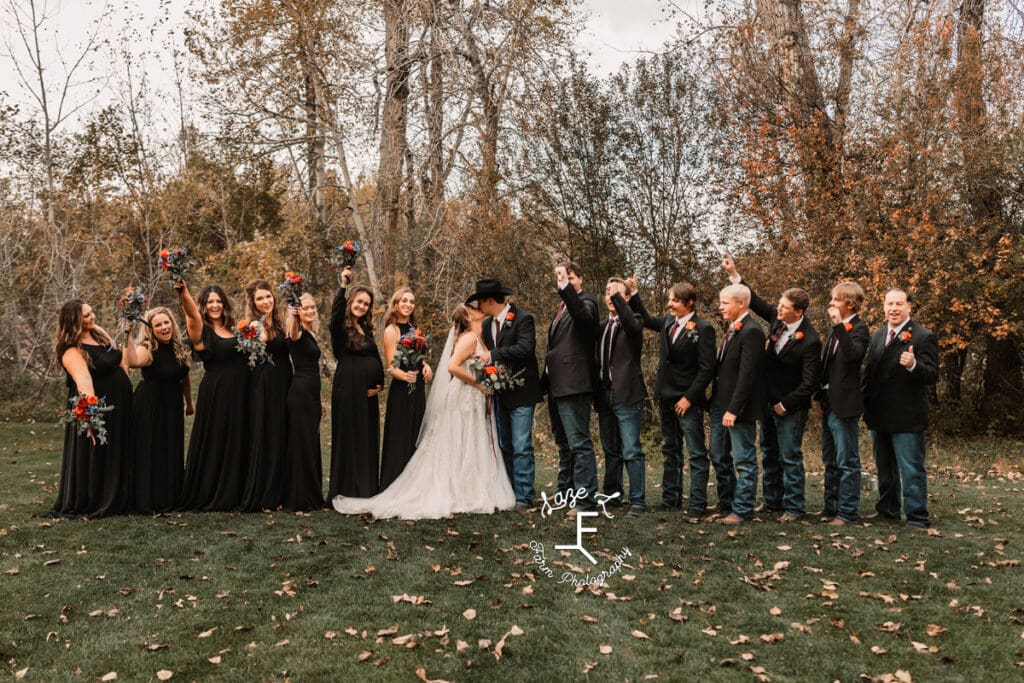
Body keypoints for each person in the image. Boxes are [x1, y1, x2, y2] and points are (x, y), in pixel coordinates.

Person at [333, 304, 515, 519]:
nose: (479, 309)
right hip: (465, 395)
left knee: (470, 441)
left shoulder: (477, 336)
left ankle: (468, 485)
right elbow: (452, 366)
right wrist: (479, 384)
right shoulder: (468, 338)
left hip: (471, 398)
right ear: (468, 316)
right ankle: (461, 489)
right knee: (461, 440)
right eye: (474, 308)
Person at [724, 256, 821, 522]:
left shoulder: (810, 340)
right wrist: (735, 276)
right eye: (778, 304)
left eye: (784, 307)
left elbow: (809, 383)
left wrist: (785, 404)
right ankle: (771, 500)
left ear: (798, 312)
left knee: (790, 457)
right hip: (766, 403)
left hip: (790, 407)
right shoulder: (778, 322)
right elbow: (755, 301)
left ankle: (794, 508)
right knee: (768, 453)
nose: (777, 309)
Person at [629, 280, 717, 516]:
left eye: (675, 300)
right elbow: (646, 319)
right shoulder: (669, 322)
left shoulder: (703, 328)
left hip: (688, 401)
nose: (670, 304)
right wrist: (634, 292)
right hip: (666, 397)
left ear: (689, 303)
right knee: (670, 449)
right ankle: (671, 499)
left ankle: (697, 504)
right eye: (670, 299)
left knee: (696, 453)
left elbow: (707, 369)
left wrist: (689, 398)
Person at [862, 288, 939, 529]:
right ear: (883, 307)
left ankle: (917, 516)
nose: (893, 308)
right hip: (879, 414)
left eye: (899, 303)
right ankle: (888, 509)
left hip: (907, 416)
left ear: (909, 307)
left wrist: (914, 365)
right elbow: (869, 376)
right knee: (884, 468)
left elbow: (932, 375)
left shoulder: (923, 336)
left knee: (911, 468)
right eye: (889, 304)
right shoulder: (876, 336)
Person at [51, 299, 133, 517]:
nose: (92, 317)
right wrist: (92, 414)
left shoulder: (97, 333)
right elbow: (83, 381)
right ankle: (100, 497)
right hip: (100, 406)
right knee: (101, 449)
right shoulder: (71, 349)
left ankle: (122, 493)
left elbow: (117, 358)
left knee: (120, 446)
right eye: (86, 316)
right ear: (74, 321)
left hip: (121, 403)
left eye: (92, 312)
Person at [177, 282, 251, 511]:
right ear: (203, 305)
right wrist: (183, 292)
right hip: (218, 392)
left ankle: (238, 490)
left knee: (239, 437)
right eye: (210, 302)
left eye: (218, 301)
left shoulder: (234, 328)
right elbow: (190, 314)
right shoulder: (200, 328)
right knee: (219, 438)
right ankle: (215, 492)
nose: (215, 305)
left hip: (242, 390)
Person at [472, 279, 542, 510]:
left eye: (480, 302)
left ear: (489, 300)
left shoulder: (523, 319)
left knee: (522, 445)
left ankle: (524, 497)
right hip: (500, 392)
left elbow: (525, 349)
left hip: (522, 392)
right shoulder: (486, 325)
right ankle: (510, 492)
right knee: (505, 445)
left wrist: (493, 354)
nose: (478, 307)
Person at [542, 262, 600, 513]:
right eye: (566, 279)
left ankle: (586, 501)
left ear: (580, 280)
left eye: (573, 278)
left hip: (575, 385)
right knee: (564, 444)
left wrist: (565, 287)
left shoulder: (586, 304)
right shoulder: (561, 308)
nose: (569, 282)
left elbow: (584, 321)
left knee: (579, 443)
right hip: (557, 385)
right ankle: (565, 492)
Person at [124, 307, 194, 514]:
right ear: (151, 329)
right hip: (150, 405)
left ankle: (169, 496)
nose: (164, 328)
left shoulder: (179, 349)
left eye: (166, 323)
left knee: (169, 448)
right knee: (150, 449)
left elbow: (184, 377)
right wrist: (129, 334)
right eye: (158, 325)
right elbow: (132, 361)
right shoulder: (147, 349)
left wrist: (189, 403)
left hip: (172, 405)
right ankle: (147, 499)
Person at [815, 281, 869, 525]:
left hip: (845, 405)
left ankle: (847, 512)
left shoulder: (859, 329)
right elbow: (828, 366)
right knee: (830, 460)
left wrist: (839, 326)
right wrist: (820, 395)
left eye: (835, 300)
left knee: (847, 461)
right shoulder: (833, 330)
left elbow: (853, 357)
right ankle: (831, 506)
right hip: (828, 403)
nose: (831, 304)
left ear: (850, 303)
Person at [328, 265, 384, 499]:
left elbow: (374, 357)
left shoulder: (366, 327)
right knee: (350, 435)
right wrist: (343, 285)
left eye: (366, 304)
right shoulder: (341, 326)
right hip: (349, 387)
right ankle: (347, 487)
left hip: (367, 393)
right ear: (351, 302)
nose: (362, 306)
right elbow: (334, 316)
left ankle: (366, 487)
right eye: (358, 302)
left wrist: (380, 383)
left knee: (366, 436)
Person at [712, 284, 766, 525]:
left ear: (741, 303)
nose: (720, 306)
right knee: (718, 454)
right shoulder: (734, 328)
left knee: (744, 460)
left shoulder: (752, 331)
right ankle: (728, 502)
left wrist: (733, 409)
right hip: (721, 405)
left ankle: (742, 509)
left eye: (725, 302)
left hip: (739, 409)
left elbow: (747, 375)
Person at [594, 277, 648, 515]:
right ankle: (612, 495)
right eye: (606, 291)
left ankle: (638, 501)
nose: (609, 296)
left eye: (615, 292)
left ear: (626, 298)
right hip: (604, 395)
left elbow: (632, 324)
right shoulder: (601, 326)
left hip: (627, 394)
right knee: (610, 449)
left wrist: (619, 296)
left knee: (631, 450)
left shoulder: (634, 321)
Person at [238, 279, 292, 511]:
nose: (266, 301)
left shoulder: (278, 322)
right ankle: (264, 494)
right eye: (260, 298)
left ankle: (280, 491)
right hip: (265, 383)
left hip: (284, 380)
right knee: (267, 433)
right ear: (253, 302)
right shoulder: (255, 325)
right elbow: (258, 346)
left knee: (280, 433)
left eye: (268, 296)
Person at [379, 287, 433, 490]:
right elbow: (391, 366)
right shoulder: (391, 330)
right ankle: (393, 484)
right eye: (404, 301)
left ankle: (414, 486)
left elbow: (419, 357)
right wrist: (405, 376)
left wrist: (426, 366)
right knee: (399, 436)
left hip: (418, 389)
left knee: (415, 434)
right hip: (401, 390)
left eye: (411, 301)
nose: (408, 304)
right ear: (396, 303)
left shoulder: (414, 328)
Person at [282, 293, 325, 511]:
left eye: (312, 307)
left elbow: (315, 369)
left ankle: (312, 492)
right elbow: (292, 332)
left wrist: (320, 400)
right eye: (305, 308)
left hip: (312, 393)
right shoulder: (297, 331)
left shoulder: (312, 332)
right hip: (299, 392)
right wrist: (292, 315)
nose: (310, 311)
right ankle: (299, 497)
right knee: (301, 444)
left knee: (310, 442)